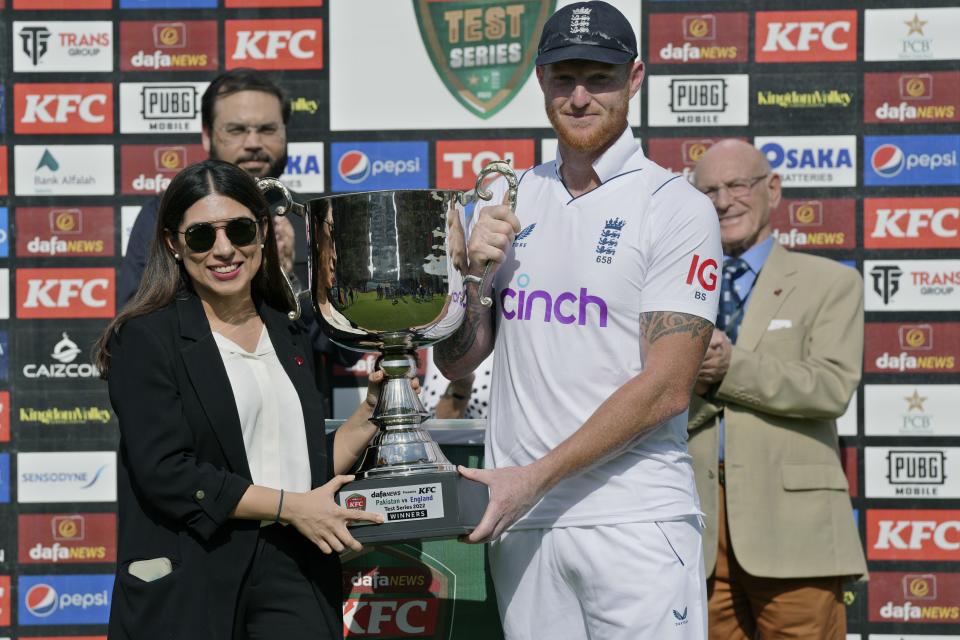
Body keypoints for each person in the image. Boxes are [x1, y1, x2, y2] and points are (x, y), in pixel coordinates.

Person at [436, 3, 722, 638]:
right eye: (564, 77)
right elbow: (455, 362)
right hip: (527, 524)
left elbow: (668, 386)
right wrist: (475, 277)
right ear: (540, 79)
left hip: (635, 519)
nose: (580, 96)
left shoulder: (675, 207)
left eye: (600, 77)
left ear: (635, 78)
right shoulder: (506, 199)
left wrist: (529, 480)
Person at [94, 160, 386, 640]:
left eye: (241, 229)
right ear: (173, 244)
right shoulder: (145, 338)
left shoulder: (287, 332)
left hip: (295, 572)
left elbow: (300, 466)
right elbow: (167, 471)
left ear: (265, 232)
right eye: (202, 236)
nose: (225, 250)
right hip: (193, 581)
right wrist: (291, 507)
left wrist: (373, 409)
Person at [687, 139, 867, 639]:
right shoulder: (674, 289)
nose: (724, 202)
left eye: (737, 186)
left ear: (772, 189)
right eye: (709, 192)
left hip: (795, 531)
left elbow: (831, 387)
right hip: (695, 530)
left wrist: (728, 370)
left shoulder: (830, 282)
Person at [118, 67, 304, 306]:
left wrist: (289, 281)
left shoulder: (313, 217)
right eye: (236, 130)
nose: (253, 143)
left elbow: (328, 338)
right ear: (207, 135)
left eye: (267, 130)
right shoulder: (163, 214)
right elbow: (136, 322)